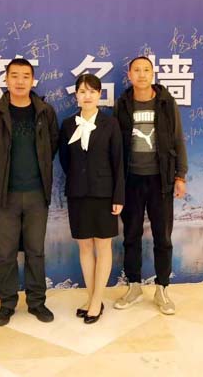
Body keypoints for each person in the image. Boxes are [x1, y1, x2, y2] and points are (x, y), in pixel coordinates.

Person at [0, 58, 59, 326]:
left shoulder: (45, 112)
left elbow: (52, 146)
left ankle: (37, 303)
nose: (20, 81)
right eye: (14, 75)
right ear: (6, 80)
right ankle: (7, 304)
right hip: (6, 196)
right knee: (6, 253)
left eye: (26, 76)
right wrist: (0, 176)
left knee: (36, 251)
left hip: (37, 194)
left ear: (33, 80)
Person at [113, 55, 188, 315]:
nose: (142, 74)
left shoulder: (166, 102)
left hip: (161, 180)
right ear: (129, 75)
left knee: (162, 237)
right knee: (131, 235)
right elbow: (115, 145)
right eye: (137, 70)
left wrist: (180, 176)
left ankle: (162, 289)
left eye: (146, 70)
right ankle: (134, 286)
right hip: (131, 180)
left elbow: (178, 139)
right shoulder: (122, 104)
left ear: (152, 74)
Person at [59, 74, 124, 324]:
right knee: (84, 246)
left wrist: (118, 196)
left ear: (99, 95)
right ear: (76, 95)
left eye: (92, 91)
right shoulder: (67, 125)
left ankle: (97, 301)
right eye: (82, 91)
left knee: (103, 246)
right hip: (77, 194)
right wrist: (80, 178)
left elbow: (118, 162)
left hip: (105, 194)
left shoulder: (111, 124)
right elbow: (65, 160)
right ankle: (90, 298)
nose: (87, 96)